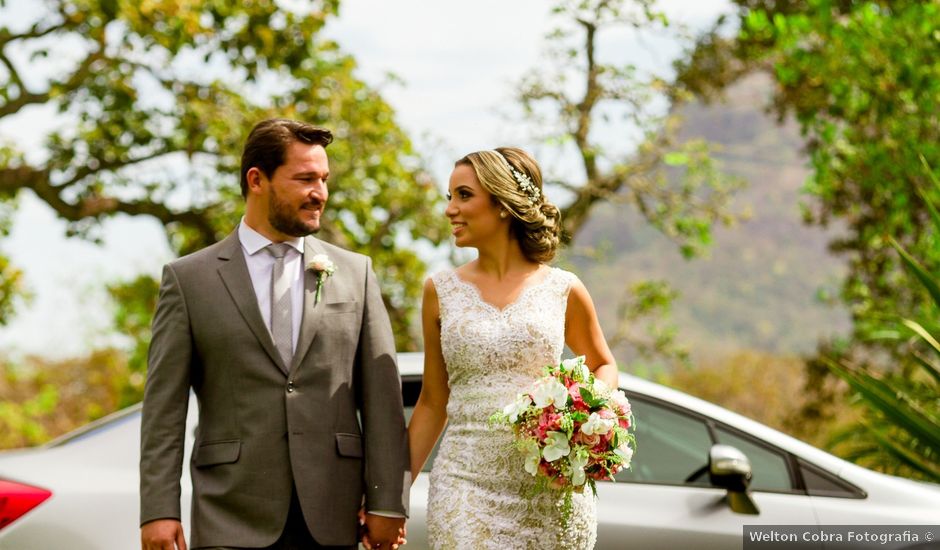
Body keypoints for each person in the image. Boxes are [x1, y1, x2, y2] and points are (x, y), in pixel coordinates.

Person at [139, 118, 409, 550]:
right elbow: (162, 410)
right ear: (257, 179)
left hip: (333, 513)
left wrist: (388, 501)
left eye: (323, 179)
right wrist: (159, 510)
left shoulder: (356, 273)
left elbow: (383, 399)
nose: (319, 192)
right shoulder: (189, 280)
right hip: (230, 512)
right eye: (305, 179)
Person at [407, 147, 619, 549]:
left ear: (503, 204)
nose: (450, 209)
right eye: (449, 197)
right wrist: (390, 496)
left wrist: (584, 415)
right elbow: (433, 402)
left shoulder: (564, 288)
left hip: (550, 494)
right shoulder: (440, 291)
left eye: (463, 195)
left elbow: (603, 364)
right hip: (464, 487)